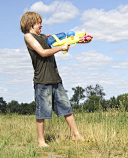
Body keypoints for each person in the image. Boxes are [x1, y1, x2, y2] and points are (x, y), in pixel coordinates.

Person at [20, 12, 92, 147]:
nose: (41, 25)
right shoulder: (28, 37)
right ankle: (41, 141)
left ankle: (76, 135)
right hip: (42, 80)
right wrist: (60, 48)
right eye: (38, 22)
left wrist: (81, 40)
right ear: (30, 23)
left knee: (66, 107)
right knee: (42, 111)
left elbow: (64, 39)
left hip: (55, 78)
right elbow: (42, 52)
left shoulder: (45, 37)